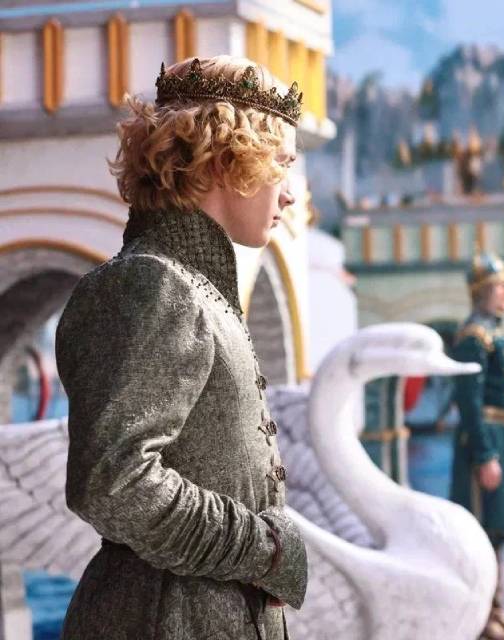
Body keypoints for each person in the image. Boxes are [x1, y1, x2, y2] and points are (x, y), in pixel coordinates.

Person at [55, 56, 307, 639]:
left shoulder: (192, 287)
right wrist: (264, 549)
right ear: (226, 160)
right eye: (282, 163)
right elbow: (112, 481)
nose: (290, 194)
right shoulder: (151, 284)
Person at [450, 252, 504, 640]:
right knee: (482, 530)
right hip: (486, 442)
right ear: (481, 291)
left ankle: (492, 607)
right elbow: (469, 401)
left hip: (502, 438)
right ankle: (481, 614)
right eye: (499, 287)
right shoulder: (473, 337)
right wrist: (484, 455)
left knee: (497, 530)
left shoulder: (492, 333)